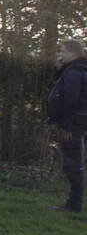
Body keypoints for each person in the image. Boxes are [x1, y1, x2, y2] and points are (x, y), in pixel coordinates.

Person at [47, 39, 87, 212]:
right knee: (75, 162)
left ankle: (74, 204)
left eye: (63, 51)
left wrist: (68, 126)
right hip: (79, 121)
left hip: (73, 125)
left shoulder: (74, 73)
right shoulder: (77, 70)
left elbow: (70, 99)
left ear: (73, 53)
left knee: (73, 164)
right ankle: (75, 202)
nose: (60, 55)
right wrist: (59, 70)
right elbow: (63, 90)